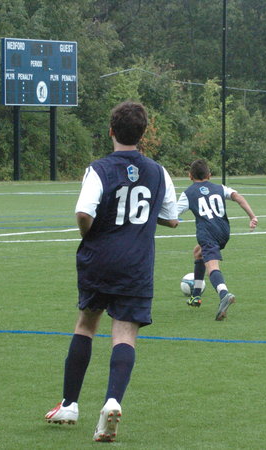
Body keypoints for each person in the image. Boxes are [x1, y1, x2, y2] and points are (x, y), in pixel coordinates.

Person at [44, 101, 179, 443]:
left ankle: (69, 405)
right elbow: (172, 219)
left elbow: (83, 213)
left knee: (87, 324)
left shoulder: (99, 169)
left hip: (100, 260)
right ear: (143, 134)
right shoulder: (158, 171)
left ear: (110, 131)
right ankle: (112, 401)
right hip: (136, 264)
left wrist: (89, 234)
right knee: (125, 333)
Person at [177, 159, 258, 320]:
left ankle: (224, 294)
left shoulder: (188, 193)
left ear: (190, 176)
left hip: (207, 234)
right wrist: (252, 216)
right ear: (209, 175)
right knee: (198, 252)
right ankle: (196, 295)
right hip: (224, 232)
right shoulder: (220, 188)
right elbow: (238, 197)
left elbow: (172, 214)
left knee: (212, 266)